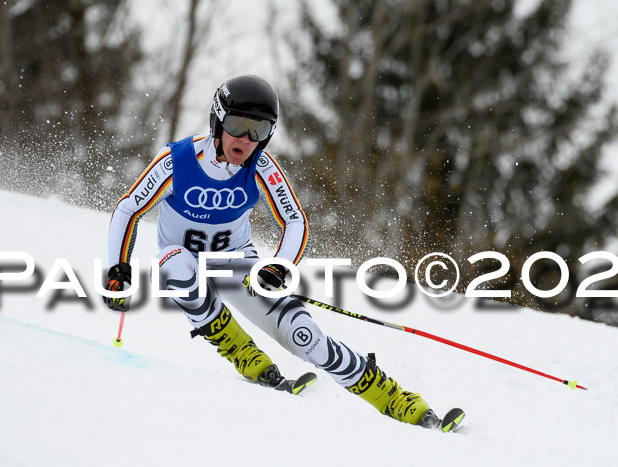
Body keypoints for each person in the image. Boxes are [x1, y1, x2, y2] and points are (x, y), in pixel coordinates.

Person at [103, 74, 444, 428]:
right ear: (217, 120)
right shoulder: (177, 161)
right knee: (172, 263)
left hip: (236, 264)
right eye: (237, 125)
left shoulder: (261, 168)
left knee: (305, 338)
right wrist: (117, 270)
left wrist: (279, 267)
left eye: (259, 130)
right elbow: (129, 208)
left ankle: (395, 398)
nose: (246, 139)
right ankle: (242, 353)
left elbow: (295, 220)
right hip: (183, 264)